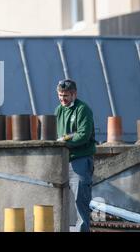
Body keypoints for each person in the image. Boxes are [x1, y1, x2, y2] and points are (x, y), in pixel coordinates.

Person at [55, 79, 96, 232]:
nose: (62, 99)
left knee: (81, 201)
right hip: (62, 161)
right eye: (60, 95)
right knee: (60, 200)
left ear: (74, 94)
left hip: (80, 160)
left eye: (65, 95)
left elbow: (83, 135)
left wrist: (65, 143)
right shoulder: (58, 110)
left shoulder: (83, 109)